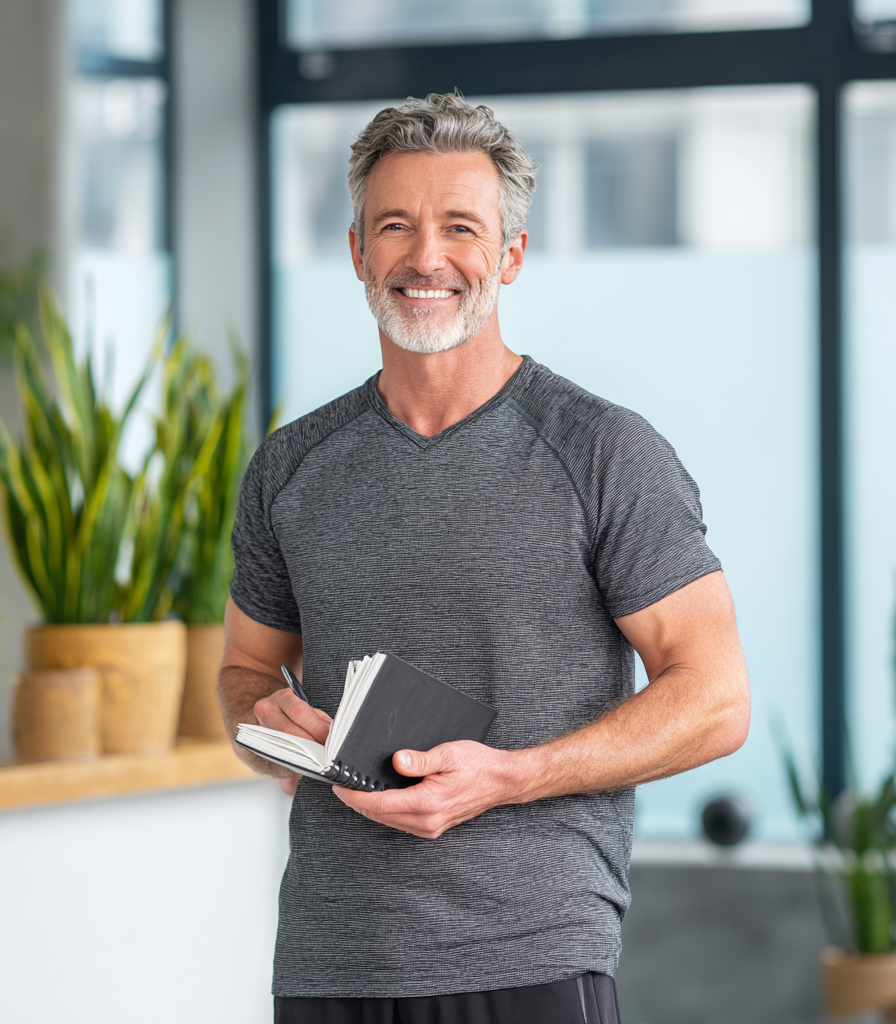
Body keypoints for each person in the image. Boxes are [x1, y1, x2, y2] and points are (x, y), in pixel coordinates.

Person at [219, 93, 750, 1024]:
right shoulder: (292, 467)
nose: (426, 257)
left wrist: (513, 775)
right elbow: (243, 669)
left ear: (508, 253)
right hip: (329, 959)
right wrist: (265, 723)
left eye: (460, 227)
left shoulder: (601, 452)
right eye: (395, 226)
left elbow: (716, 698)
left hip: (531, 954)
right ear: (356, 252)